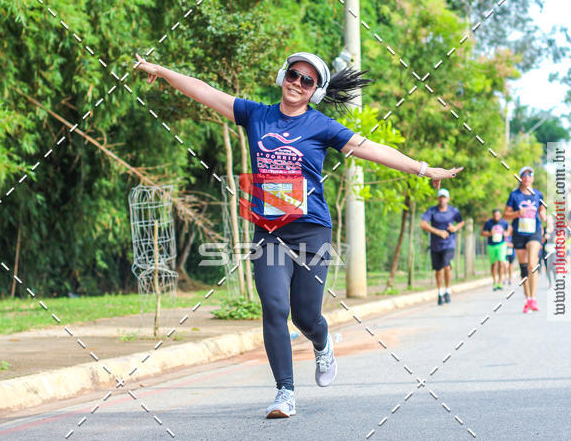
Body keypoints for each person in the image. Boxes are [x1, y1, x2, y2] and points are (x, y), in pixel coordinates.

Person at [134, 50, 463, 418]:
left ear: (315, 91)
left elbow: (372, 149)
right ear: (283, 76)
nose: (297, 84)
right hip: (269, 231)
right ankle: (284, 393)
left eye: (307, 81)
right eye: (294, 75)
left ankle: (322, 344)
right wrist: (162, 70)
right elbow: (204, 91)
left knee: (305, 317)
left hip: (311, 233)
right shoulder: (256, 114)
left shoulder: (322, 126)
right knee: (274, 307)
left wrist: (422, 169)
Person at [504, 166, 547, 313]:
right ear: (521, 178)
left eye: (530, 175)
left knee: (532, 263)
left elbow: (542, 209)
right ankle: (527, 298)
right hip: (519, 233)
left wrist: (543, 215)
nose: (527, 177)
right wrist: (517, 213)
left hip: (534, 232)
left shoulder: (538, 194)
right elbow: (506, 215)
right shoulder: (514, 195)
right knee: (523, 268)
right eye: (524, 175)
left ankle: (533, 298)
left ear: (533, 178)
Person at [420, 189, 464, 304]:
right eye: (440, 197)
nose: (442, 199)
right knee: (438, 270)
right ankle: (440, 292)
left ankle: (448, 291)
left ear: (448, 199)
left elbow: (461, 222)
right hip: (435, 245)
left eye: (444, 197)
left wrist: (455, 228)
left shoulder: (453, 211)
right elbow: (423, 224)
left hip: (449, 244)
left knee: (447, 267)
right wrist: (438, 232)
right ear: (437, 199)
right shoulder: (432, 211)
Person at [481, 208, 508, 290]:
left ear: (500, 215)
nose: (496, 216)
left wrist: (506, 233)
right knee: (493, 264)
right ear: (493, 216)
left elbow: (508, 230)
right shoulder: (488, 223)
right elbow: (482, 233)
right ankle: (495, 282)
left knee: (501, 262)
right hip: (491, 245)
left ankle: (500, 282)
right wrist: (490, 233)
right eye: (495, 215)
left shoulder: (504, 222)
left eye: (498, 215)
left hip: (501, 244)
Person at [504, 219, 515, 285]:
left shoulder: (513, 236)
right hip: (505, 253)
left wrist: (508, 244)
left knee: (510, 267)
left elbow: (515, 244)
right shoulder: (504, 236)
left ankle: (510, 279)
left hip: (511, 253)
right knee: (505, 265)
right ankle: (506, 278)